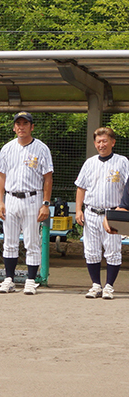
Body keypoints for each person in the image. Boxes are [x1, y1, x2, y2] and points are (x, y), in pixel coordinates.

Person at [0, 111, 53, 295]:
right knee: (9, 241)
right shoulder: (7, 148)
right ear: (14, 127)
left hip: (32, 198)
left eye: (25, 123)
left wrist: (46, 203)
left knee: (32, 241)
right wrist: (0, 201)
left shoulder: (41, 148)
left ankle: (30, 280)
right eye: (18, 123)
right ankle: (9, 279)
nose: (21, 127)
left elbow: (48, 178)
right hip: (11, 198)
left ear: (31, 127)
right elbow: (1, 176)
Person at [73, 126, 128, 300]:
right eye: (98, 141)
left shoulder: (122, 161)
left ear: (113, 142)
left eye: (104, 141)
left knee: (112, 251)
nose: (101, 144)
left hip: (112, 213)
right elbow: (81, 187)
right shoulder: (90, 163)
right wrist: (78, 210)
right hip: (91, 211)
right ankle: (96, 285)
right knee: (91, 250)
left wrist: (124, 209)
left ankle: (109, 286)